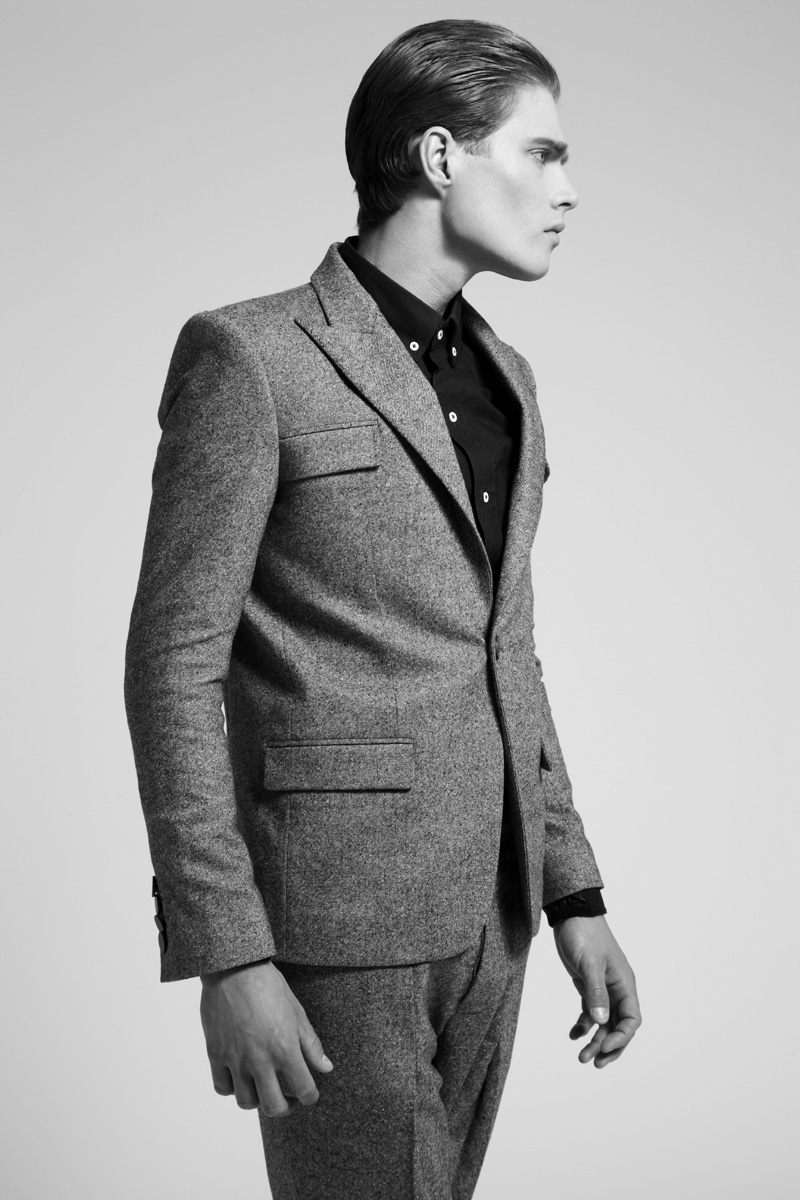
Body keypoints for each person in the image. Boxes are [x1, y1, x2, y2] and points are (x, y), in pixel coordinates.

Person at [124, 18, 641, 1200]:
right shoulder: (250, 357)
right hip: (333, 916)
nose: (567, 191)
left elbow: (507, 651)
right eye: (542, 154)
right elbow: (172, 665)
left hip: (497, 911)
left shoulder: (509, 381)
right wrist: (227, 951)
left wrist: (573, 891)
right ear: (441, 156)